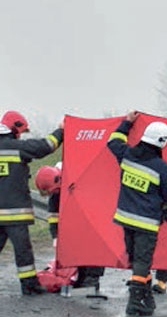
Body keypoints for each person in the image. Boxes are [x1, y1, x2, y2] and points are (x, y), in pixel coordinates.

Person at [106, 111, 167, 317]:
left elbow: (112, 142)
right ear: (162, 142)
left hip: (125, 218)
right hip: (147, 223)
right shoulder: (162, 168)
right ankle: (134, 303)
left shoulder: (127, 155)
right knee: (142, 262)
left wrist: (126, 124)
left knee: (136, 260)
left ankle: (146, 299)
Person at [0, 111, 63, 295]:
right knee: (23, 252)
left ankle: (30, 284)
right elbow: (45, 146)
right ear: (15, 129)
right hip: (15, 214)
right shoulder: (17, 148)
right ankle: (29, 286)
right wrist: (61, 131)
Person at [35, 164, 105, 293]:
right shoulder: (55, 186)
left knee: (93, 243)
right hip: (75, 217)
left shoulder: (78, 176)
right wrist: (56, 236)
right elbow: (54, 215)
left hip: (93, 212)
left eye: (56, 191)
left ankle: (92, 278)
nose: (55, 194)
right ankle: (80, 278)